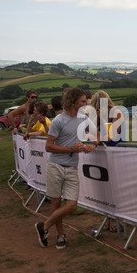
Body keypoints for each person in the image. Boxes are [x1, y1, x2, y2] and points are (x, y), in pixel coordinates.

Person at [35, 88, 98, 249]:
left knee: (72, 205)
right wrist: (71, 149)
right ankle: (61, 235)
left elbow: (97, 134)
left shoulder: (83, 118)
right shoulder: (58, 121)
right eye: (83, 101)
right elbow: (49, 146)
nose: (86, 104)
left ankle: (44, 226)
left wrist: (92, 144)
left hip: (71, 167)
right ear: (73, 101)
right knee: (56, 202)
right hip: (55, 165)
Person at [89, 90, 124, 232]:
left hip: (115, 155)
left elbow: (109, 136)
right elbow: (89, 134)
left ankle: (116, 220)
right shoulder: (94, 116)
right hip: (101, 156)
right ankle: (109, 220)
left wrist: (102, 119)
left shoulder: (116, 113)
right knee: (104, 189)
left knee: (114, 189)